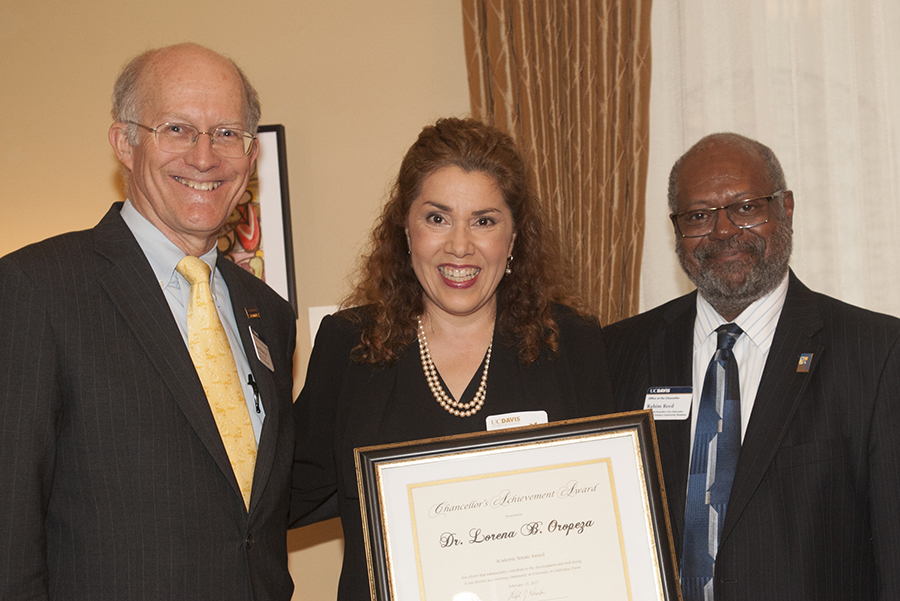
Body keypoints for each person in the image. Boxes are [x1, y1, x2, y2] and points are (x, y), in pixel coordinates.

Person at [0, 43, 297, 600]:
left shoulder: (269, 316)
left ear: (250, 155)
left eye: (227, 133)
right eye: (178, 129)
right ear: (125, 143)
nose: (205, 157)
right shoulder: (37, 289)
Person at [291, 117, 614, 600]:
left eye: (484, 221)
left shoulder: (571, 344)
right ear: (405, 226)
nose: (459, 246)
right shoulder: (349, 345)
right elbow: (281, 492)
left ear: (514, 238)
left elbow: (607, 518)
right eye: (437, 218)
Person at [603, 132, 900, 600]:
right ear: (677, 229)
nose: (723, 231)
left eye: (745, 208)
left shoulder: (878, 353)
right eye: (699, 215)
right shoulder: (618, 352)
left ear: (785, 208)